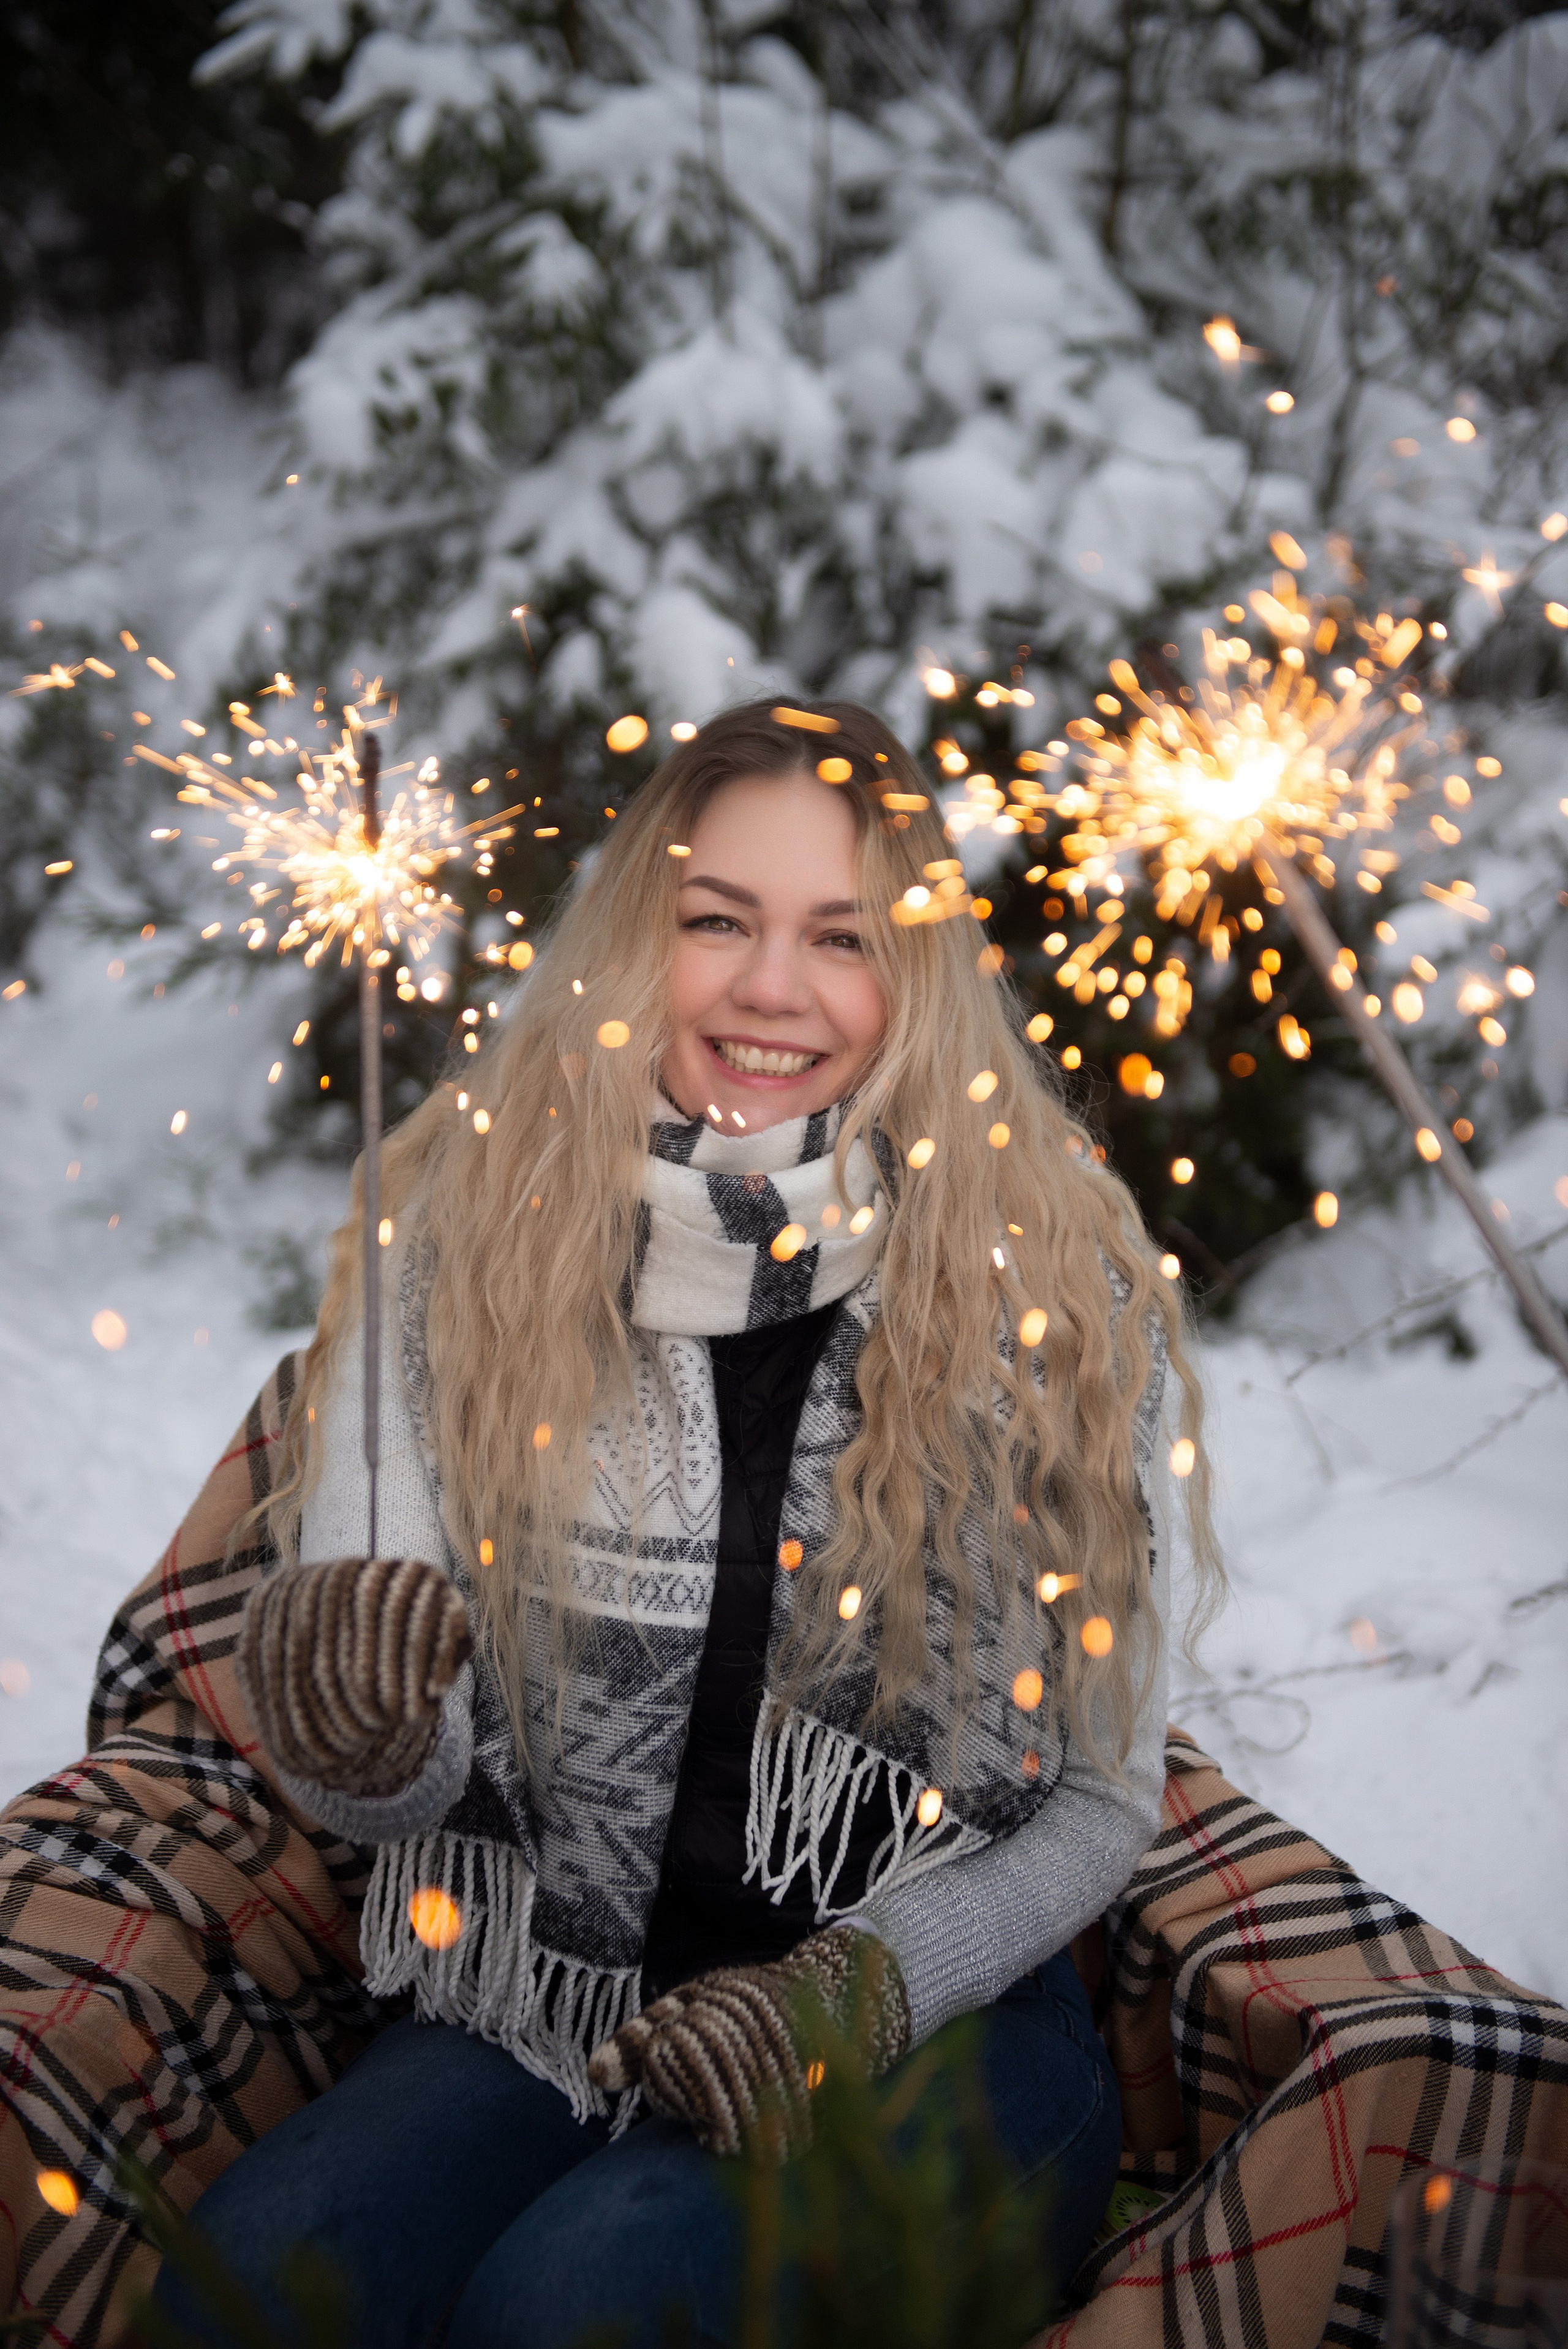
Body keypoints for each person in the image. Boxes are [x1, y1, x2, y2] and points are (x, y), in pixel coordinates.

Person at [153, 698, 1218, 2348]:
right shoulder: (456, 1242)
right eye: (714, 918)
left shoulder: (1055, 1290)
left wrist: (838, 1999)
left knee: (576, 2305)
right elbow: (395, 1780)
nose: (769, 986)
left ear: (919, 974)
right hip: (541, 1996)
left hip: (935, 2020)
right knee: (254, 2285)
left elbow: (1094, 1797)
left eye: (841, 937)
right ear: (634, 937)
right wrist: (356, 1737)